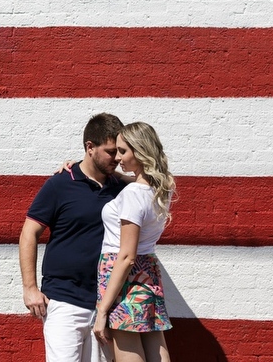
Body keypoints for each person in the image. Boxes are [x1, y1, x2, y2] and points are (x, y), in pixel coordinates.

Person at [18, 113, 126, 362]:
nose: (118, 159)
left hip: (106, 305)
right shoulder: (60, 185)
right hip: (65, 301)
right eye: (111, 152)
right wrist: (30, 288)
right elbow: (29, 233)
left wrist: (120, 176)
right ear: (90, 147)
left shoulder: (120, 189)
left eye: (120, 152)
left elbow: (155, 183)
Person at [93, 122, 176, 362]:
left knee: (127, 346)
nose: (117, 157)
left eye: (123, 151)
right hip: (147, 271)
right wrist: (120, 175)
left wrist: (102, 311)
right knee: (154, 342)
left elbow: (127, 256)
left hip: (123, 274)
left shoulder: (132, 195)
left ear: (140, 152)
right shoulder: (161, 188)